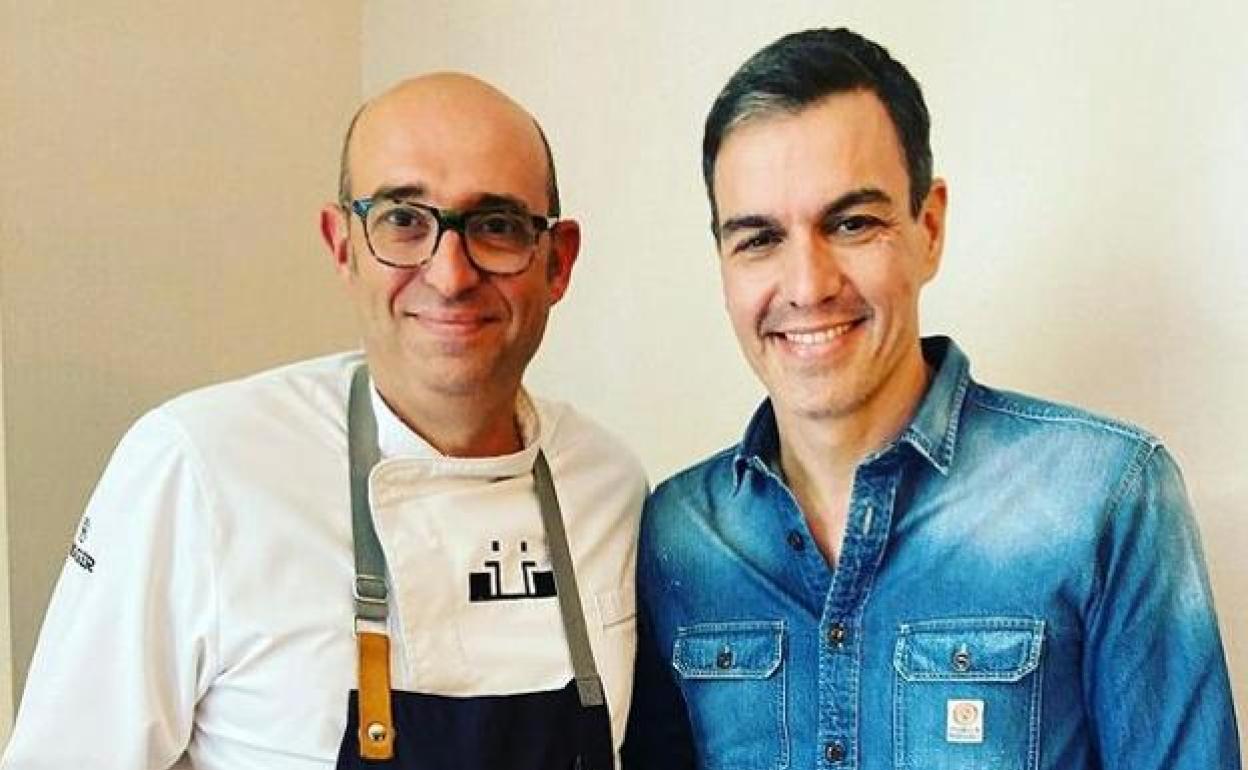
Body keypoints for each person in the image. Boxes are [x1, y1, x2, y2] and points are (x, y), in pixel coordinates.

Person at [622, 27, 1239, 770]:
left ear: (930, 228)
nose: (808, 286)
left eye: (852, 224)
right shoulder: (680, 533)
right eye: (758, 239)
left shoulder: (1104, 497)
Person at [2, 73, 645, 770]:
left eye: (496, 226)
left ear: (558, 262)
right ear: (343, 246)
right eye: (404, 220)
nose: (451, 275)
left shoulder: (608, 486)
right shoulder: (199, 468)